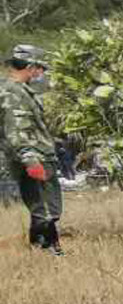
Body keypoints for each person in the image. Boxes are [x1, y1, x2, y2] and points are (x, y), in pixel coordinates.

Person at [2, 44, 63, 254]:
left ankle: (44, 250)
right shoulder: (12, 92)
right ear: (29, 66)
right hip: (33, 157)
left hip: (41, 154)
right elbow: (15, 130)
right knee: (45, 209)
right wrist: (30, 160)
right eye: (40, 68)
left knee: (48, 208)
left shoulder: (22, 91)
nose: (42, 73)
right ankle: (48, 253)